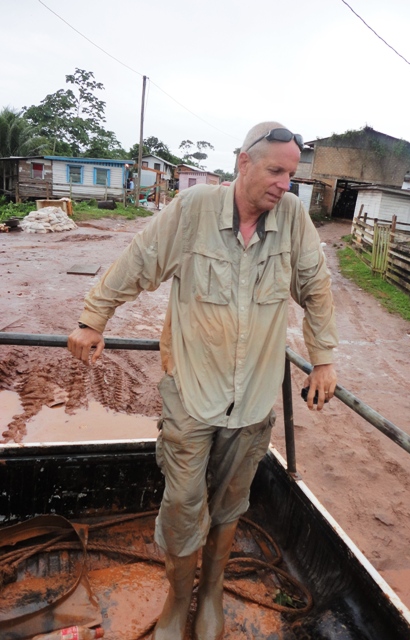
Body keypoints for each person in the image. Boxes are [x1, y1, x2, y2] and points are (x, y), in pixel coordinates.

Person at [67, 121, 338, 640]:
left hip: (253, 398)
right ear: (243, 163)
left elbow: (316, 288)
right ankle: (177, 600)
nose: (285, 184)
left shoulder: (294, 218)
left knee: (231, 503)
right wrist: (92, 319)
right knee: (183, 504)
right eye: (275, 171)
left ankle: (211, 591)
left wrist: (323, 359)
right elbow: (138, 261)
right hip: (192, 392)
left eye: (291, 175)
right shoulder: (194, 210)